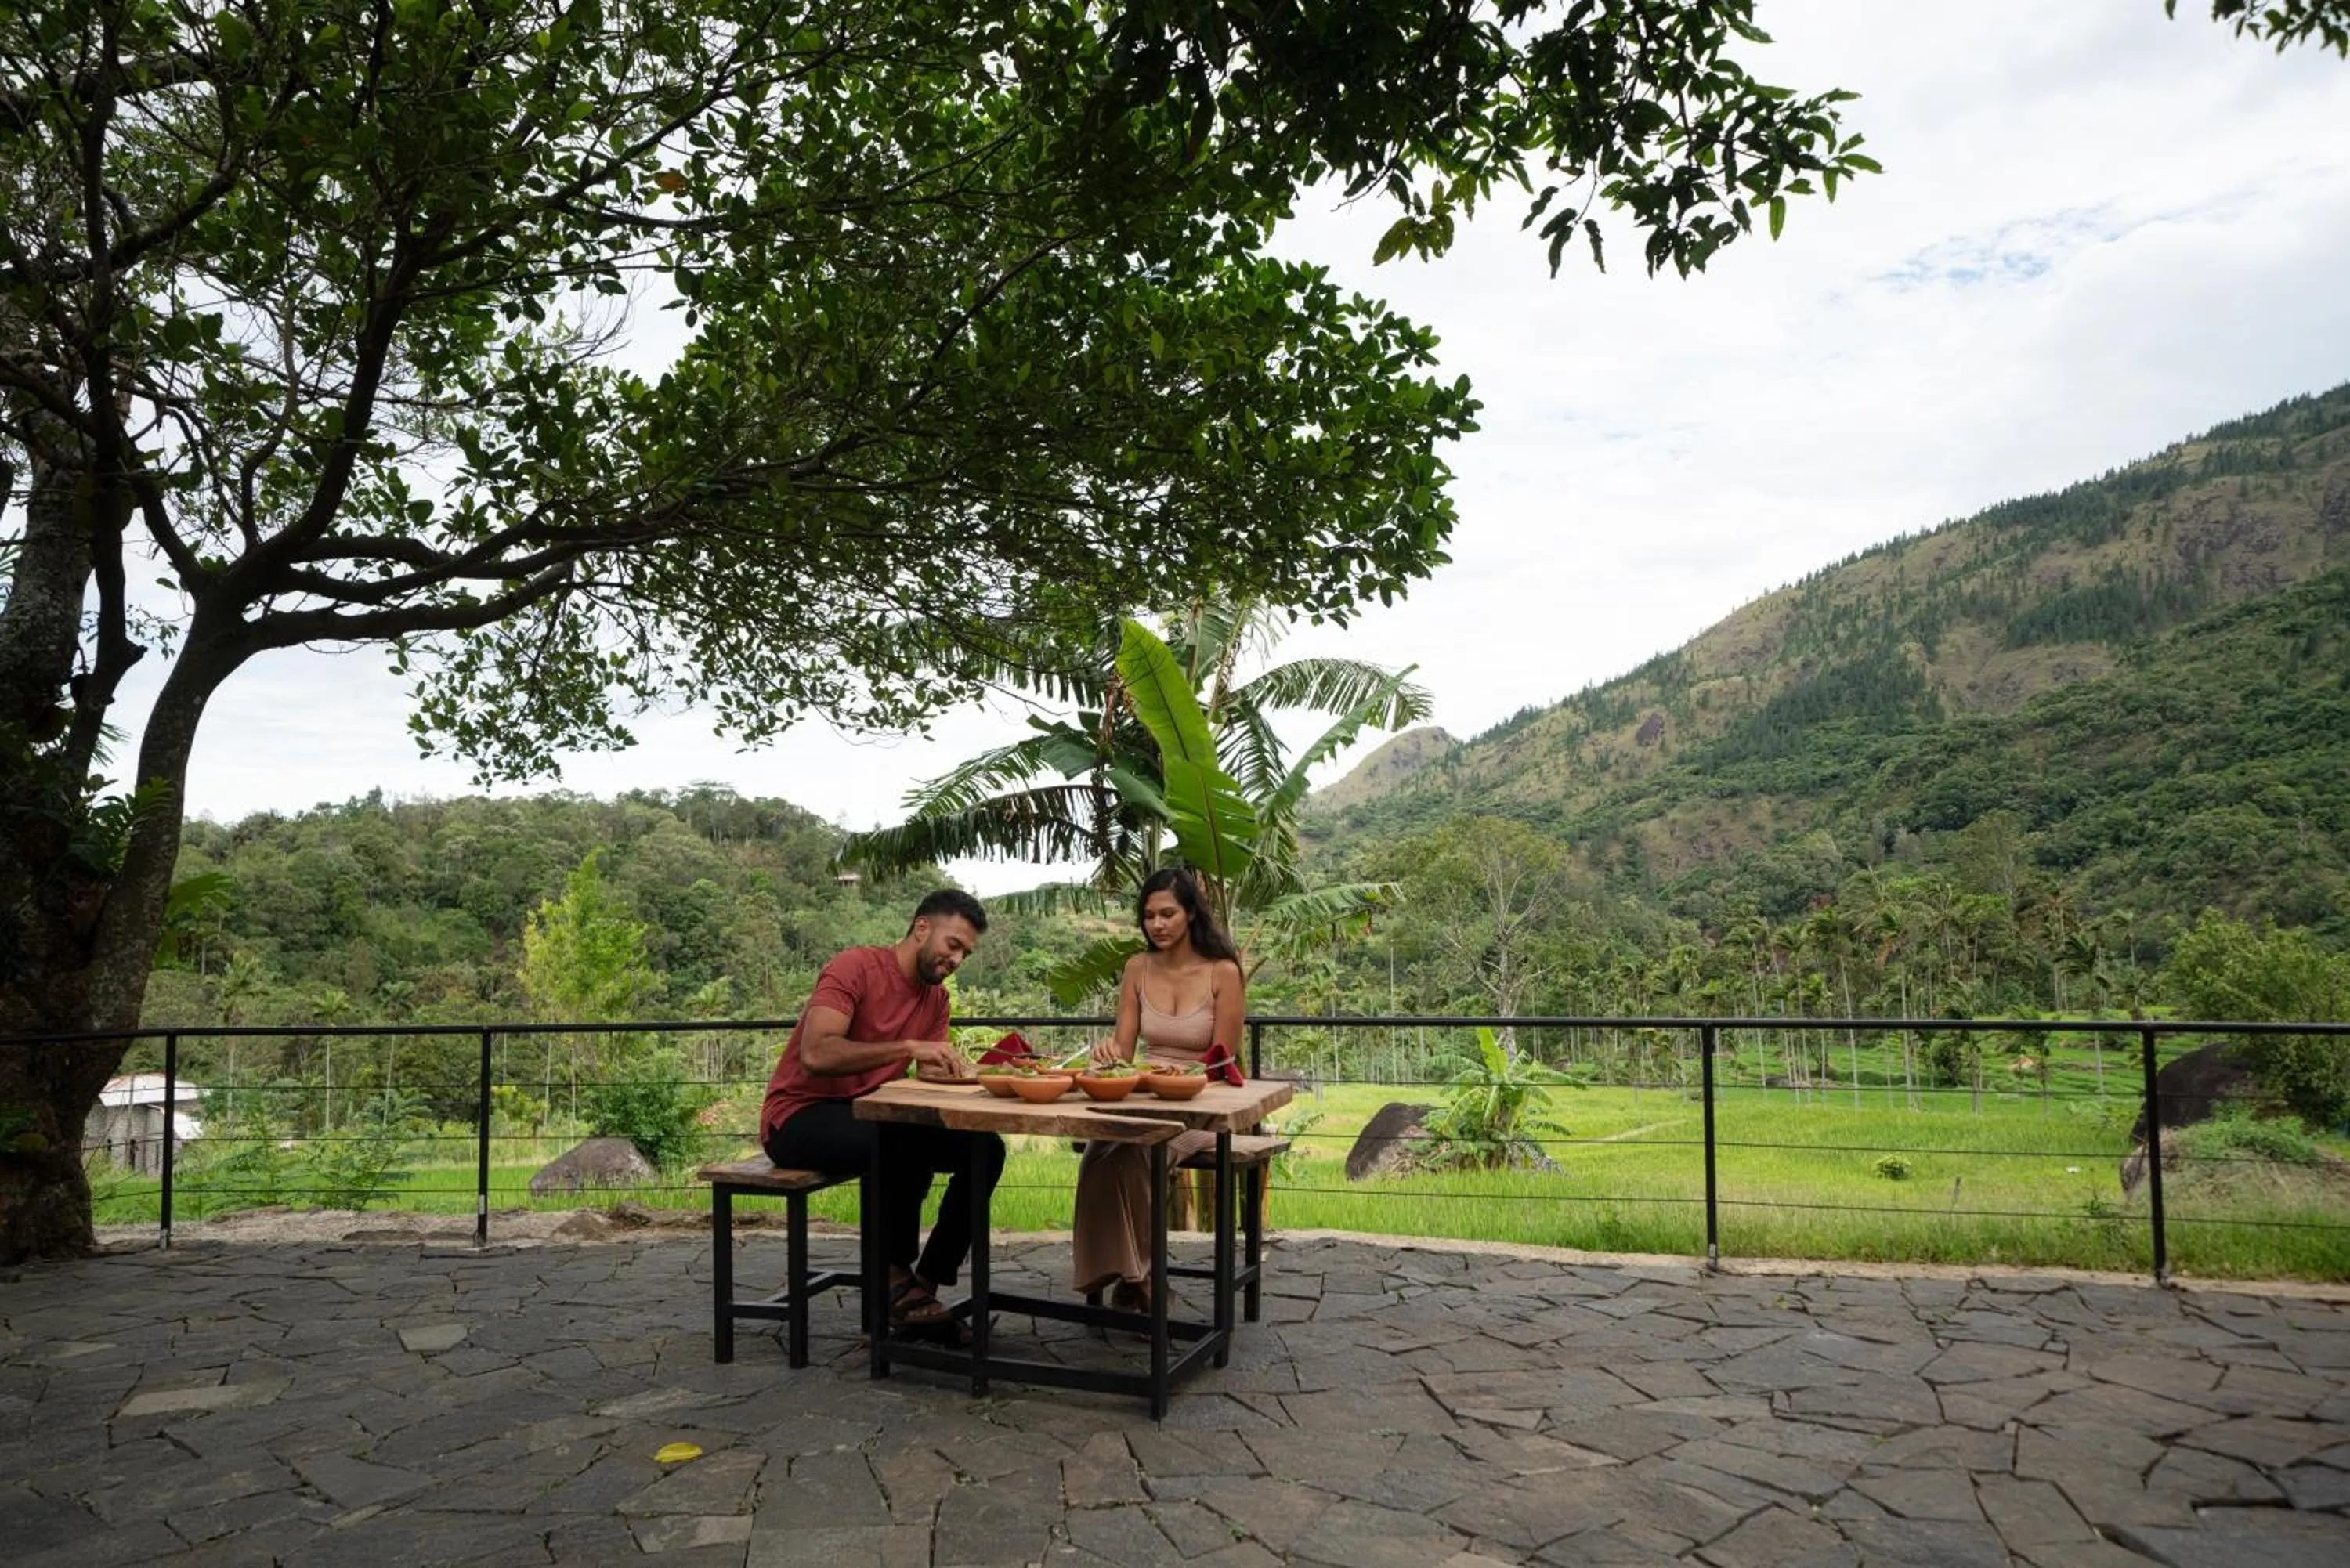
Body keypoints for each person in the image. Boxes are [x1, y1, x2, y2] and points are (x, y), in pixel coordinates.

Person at [760, 888, 1000, 1340]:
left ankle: (924, 1284)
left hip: (871, 1114)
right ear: (922, 927)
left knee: (985, 1148)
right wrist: (908, 1048)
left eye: (965, 954)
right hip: (798, 1116)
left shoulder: (936, 1000)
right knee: (897, 1137)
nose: (956, 960)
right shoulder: (855, 967)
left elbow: (924, 1072)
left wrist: (942, 1070)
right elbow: (816, 1053)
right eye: (953, 945)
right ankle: (894, 1278)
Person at [1071, 867, 1246, 1311]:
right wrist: (1109, 1055)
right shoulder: (1137, 968)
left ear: (1191, 914)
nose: (1157, 925)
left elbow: (1221, 1063)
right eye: (1149, 916)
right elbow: (1124, 1052)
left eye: (1168, 914)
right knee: (1097, 1155)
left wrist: (1176, 1080)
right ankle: (1137, 1275)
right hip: (1144, 1096)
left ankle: (1139, 1277)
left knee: (1134, 1155)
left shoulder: (1223, 973)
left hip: (1199, 1105)